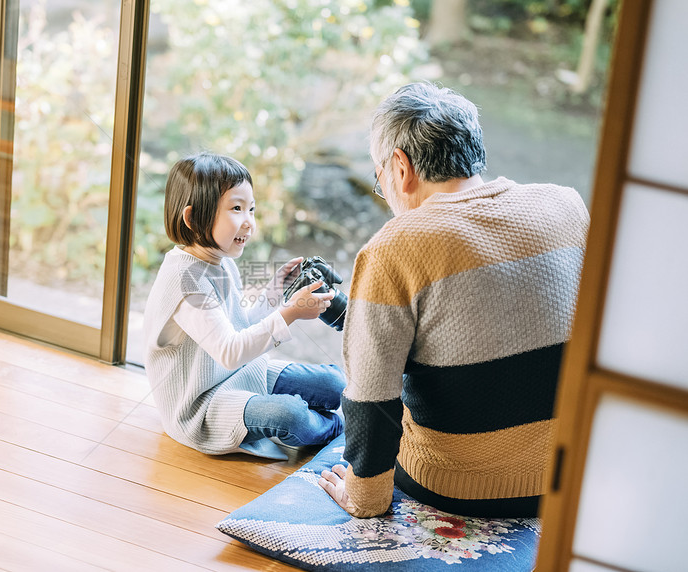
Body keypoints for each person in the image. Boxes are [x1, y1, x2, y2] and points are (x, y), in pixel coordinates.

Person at [318, 82, 589, 518]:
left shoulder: (395, 246)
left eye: (378, 175)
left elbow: (371, 396)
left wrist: (365, 497)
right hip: (572, 471)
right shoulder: (566, 204)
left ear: (400, 167)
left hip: (459, 486)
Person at [144, 152, 345, 458]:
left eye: (251, 209)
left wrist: (274, 294)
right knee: (291, 416)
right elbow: (229, 351)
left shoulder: (220, 262)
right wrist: (290, 314)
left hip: (237, 374)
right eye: (236, 209)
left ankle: (323, 426)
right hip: (201, 404)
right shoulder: (186, 279)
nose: (249, 222)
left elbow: (238, 329)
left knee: (333, 383)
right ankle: (337, 429)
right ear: (192, 218)